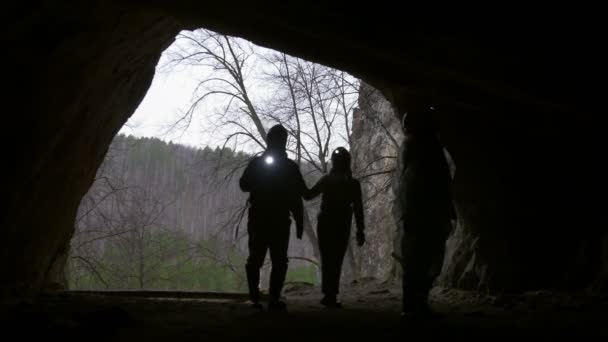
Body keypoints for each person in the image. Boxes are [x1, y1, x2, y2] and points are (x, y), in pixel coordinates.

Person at [392, 106, 455, 318]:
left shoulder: (412, 147)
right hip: (426, 212)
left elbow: (402, 182)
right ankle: (415, 304)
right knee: (423, 259)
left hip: (417, 211)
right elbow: (442, 180)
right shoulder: (429, 148)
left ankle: (413, 304)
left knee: (416, 260)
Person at [239, 124, 307, 311]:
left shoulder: (259, 163)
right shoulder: (290, 167)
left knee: (260, 259)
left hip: (261, 220)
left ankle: (257, 298)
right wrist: (299, 222)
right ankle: (272, 300)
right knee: (276, 260)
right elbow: (298, 196)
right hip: (277, 221)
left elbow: (244, 185)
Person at [304, 147, 366, 308]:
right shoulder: (353, 184)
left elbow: (308, 195)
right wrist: (360, 230)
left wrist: (295, 182)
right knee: (336, 259)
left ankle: (328, 294)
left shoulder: (326, 180)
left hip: (325, 223)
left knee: (327, 258)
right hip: (342, 224)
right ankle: (331, 294)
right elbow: (358, 208)